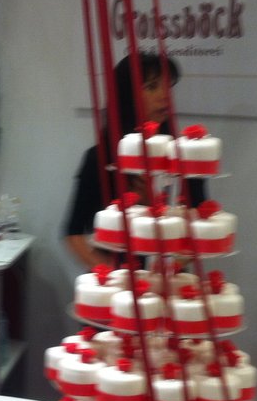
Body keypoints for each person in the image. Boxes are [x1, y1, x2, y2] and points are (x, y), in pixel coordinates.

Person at [63, 53, 205, 270]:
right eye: (152, 87)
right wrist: (113, 277)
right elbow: (73, 234)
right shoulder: (100, 158)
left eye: (168, 86)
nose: (164, 96)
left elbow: (199, 224)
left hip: (170, 280)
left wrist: (166, 271)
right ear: (126, 96)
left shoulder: (183, 156)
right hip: (117, 279)